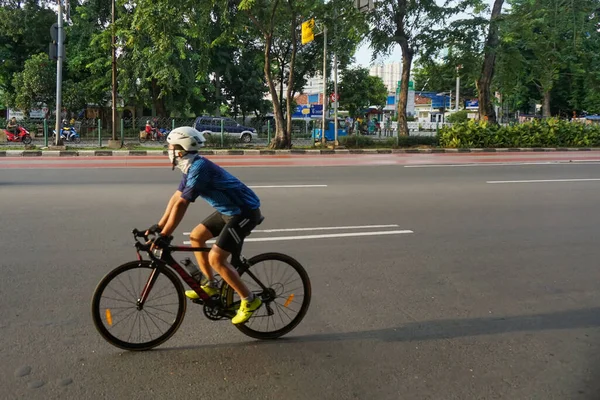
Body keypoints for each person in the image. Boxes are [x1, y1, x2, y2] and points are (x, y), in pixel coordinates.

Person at [148, 126, 263, 324]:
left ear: (181, 149)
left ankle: (249, 299)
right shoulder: (191, 165)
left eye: (170, 147)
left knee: (216, 259)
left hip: (245, 212)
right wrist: (159, 226)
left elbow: (184, 203)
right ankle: (210, 284)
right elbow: (177, 198)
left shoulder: (199, 168)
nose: (168, 151)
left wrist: (166, 235)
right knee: (196, 236)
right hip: (229, 211)